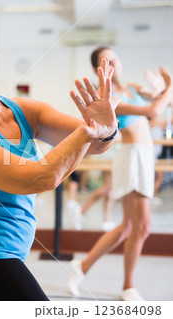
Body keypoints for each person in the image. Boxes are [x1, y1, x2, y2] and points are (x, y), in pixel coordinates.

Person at [0, 24, 118, 301]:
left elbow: (98, 145)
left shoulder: (25, 110)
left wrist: (107, 128)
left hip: (12, 247)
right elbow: (40, 178)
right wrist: (87, 131)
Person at [68, 47, 172, 301]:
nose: (114, 62)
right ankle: (128, 286)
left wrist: (162, 89)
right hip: (132, 156)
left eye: (116, 57)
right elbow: (153, 111)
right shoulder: (110, 99)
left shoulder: (134, 89)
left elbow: (163, 101)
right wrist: (169, 88)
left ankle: (82, 266)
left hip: (145, 157)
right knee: (143, 226)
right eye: (107, 60)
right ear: (97, 70)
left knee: (128, 227)